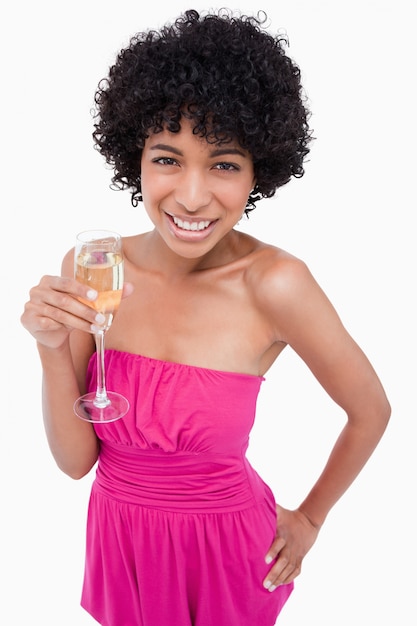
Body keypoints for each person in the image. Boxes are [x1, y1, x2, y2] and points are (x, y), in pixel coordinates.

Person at [21, 8, 391, 626]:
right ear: (134, 158)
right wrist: (52, 347)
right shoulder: (97, 268)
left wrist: (310, 520)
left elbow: (370, 410)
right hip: (120, 545)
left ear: (257, 173)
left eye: (223, 165)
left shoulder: (275, 283)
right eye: (168, 159)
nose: (192, 197)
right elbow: (77, 462)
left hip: (226, 553)